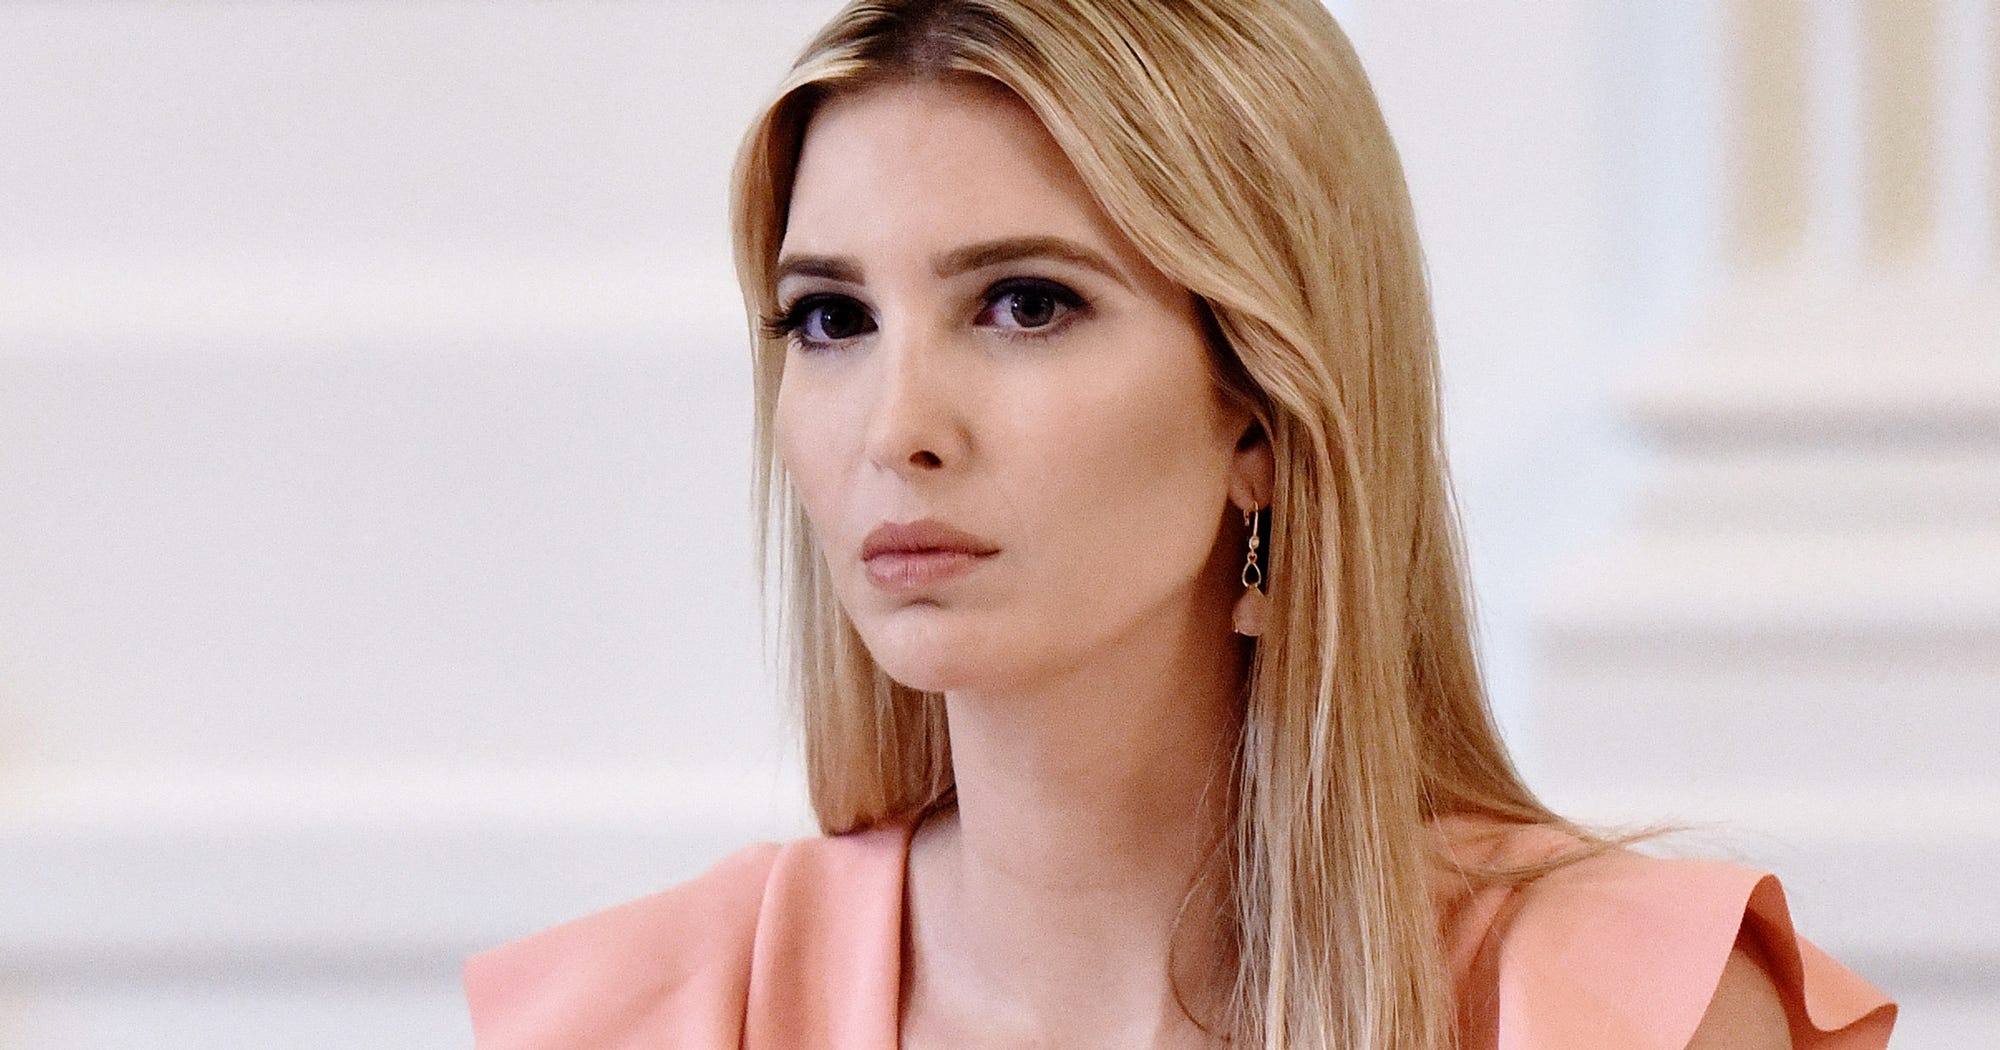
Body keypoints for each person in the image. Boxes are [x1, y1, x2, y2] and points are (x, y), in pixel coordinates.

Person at [462, 1, 1897, 1047]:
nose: (896, 428)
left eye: (1025, 303)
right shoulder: (648, 1016)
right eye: (831, 318)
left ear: (1258, 418)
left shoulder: (1612, 1013)